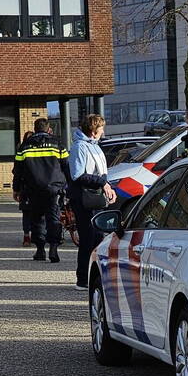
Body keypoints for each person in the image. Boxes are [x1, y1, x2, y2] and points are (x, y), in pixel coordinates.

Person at [68, 113, 117, 291]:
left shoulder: (93, 146)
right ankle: (82, 279)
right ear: (93, 130)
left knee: (97, 237)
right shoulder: (80, 147)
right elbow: (77, 174)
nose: (103, 132)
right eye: (101, 128)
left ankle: (94, 277)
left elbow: (100, 174)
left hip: (94, 197)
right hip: (83, 199)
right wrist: (102, 183)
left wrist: (107, 186)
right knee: (88, 238)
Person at [12, 119, 70, 263]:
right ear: (48, 128)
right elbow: (67, 167)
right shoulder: (57, 144)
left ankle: (40, 250)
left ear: (35, 128)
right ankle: (54, 249)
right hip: (54, 189)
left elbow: (17, 171)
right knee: (54, 219)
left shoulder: (25, 146)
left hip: (33, 189)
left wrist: (16, 189)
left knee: (37, 220)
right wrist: (69, 186)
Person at [15, 130, 34, 247]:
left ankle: (35, 235)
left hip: (29, 187)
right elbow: (17, 172)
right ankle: (27, 235)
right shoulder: (22, 151)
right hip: (26, 188)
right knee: (27, 213)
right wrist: (16, 188)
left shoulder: (22, 151)